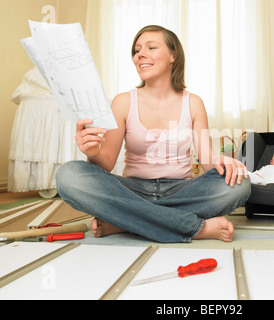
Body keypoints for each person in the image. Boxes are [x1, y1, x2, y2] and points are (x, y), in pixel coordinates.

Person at [56, 25, 251, 243]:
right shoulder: (123, 101)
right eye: (137, 50)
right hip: (132, 190)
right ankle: (195, 228)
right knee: (69, 176)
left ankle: (123, 221)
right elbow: (106, 164)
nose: (140, 54)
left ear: (172, 56)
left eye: (151, 47)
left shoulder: (193, 103)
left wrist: (221, 161)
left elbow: (207, 161)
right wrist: (92, 152)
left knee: (240, 183)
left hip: (181, 191)